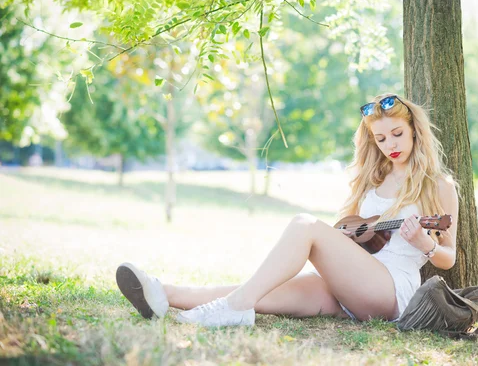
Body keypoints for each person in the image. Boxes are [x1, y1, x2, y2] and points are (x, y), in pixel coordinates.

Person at [115, 94, 459, 327]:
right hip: (350, 287)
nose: (390, 146)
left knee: (305, 225)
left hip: (390, 291)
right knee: (262, 291)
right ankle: (163, 295)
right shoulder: (373, 180)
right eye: (381, 139)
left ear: (415, 129)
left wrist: (423, 244)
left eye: (397, 134)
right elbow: (350, 236)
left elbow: (448, 257)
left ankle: (235, 310)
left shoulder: (438, 185)